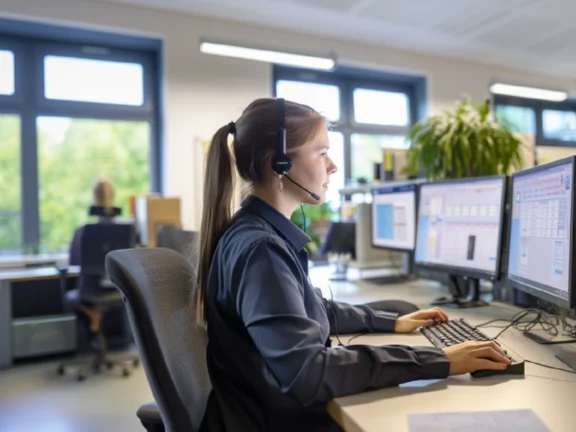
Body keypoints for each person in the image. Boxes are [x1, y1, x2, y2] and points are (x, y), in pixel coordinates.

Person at [194, 98, 511, 432]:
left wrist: (392, 322)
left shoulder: (258, 233)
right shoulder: (262, 250)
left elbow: (312, 309)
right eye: (321, 152)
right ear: (281, 164)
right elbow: (308, 374)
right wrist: (438, 360)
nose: (332, 166)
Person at [67, 178, 117, 333]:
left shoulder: (83, 231)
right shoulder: (124, 231)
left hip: (88, 290)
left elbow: (73, 262)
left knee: (70, 295)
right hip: (117, 288)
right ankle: (96, 315)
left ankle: (93, 315)